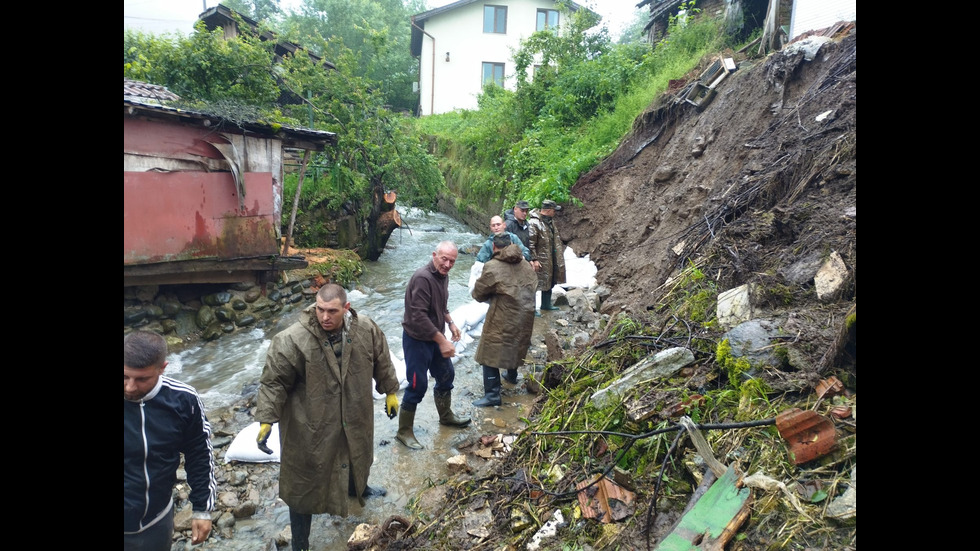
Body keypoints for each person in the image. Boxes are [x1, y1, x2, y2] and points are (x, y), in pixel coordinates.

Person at [254, 283, 401, 551]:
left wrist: (390, 390)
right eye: (320, 309)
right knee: (303, 480)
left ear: (346, 308)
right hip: (310, 420)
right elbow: (274, 382)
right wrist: (266, 419)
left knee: (358, 451)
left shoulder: (365, 329)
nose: (324, 317)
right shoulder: (293, 339)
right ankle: (300, 542)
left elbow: (382, 359)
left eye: (332, 311)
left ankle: (359, 489)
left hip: (356, 410)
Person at [124, 330, 216, 551]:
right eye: (124, 376)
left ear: (162, 368)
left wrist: (202, 509)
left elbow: (199, 453)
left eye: (141, 379)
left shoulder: (184, 400)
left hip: (155, 520)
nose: (129, 387)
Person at [397, 240, 471, 450]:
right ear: (434, 255)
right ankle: (404, 432)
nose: (447, 264)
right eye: (444, 259)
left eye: (452, 261)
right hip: (417, 340)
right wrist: (443, 340)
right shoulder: (423, 278)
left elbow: (440, 305)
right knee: (416, 385)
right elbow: (418, 316)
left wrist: (451, 323)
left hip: (435, 337)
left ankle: (445, 416)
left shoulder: (442, 276)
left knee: (446, 375)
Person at [471, 233, 538, 405]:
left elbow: (478, 294)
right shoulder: (526, 265)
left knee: (490, 351)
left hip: (503, 316)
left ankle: (493, 395)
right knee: (515, 342)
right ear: (512, 244)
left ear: (494, 247)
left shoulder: (492, 266)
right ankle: (511, 375)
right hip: (526, 314)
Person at [527, 199, 567, 315]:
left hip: (550, 257)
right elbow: (531, 243)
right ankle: (532, 309)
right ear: (549, 211)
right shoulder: (534, 223)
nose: (555, 213)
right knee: (535, 283)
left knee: (549, 280)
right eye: (554, 210)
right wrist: (534, 259)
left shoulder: (550, 222)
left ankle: (546, 304)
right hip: (540, 259)